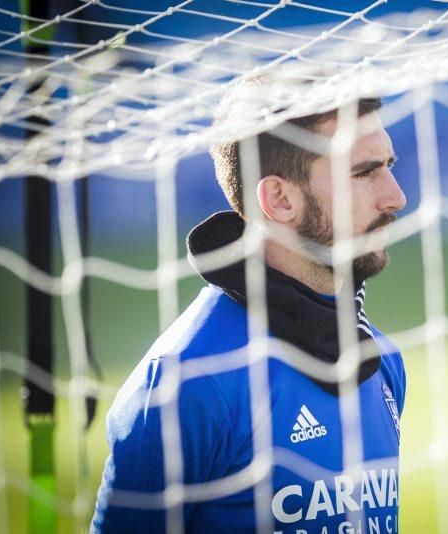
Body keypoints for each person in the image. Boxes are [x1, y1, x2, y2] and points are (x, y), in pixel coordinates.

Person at [91, 79, 407, 533]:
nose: (395, 196)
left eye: (389, 166)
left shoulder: (381, 361)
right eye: (363, 172)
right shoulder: (186, 382)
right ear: (279, 199)